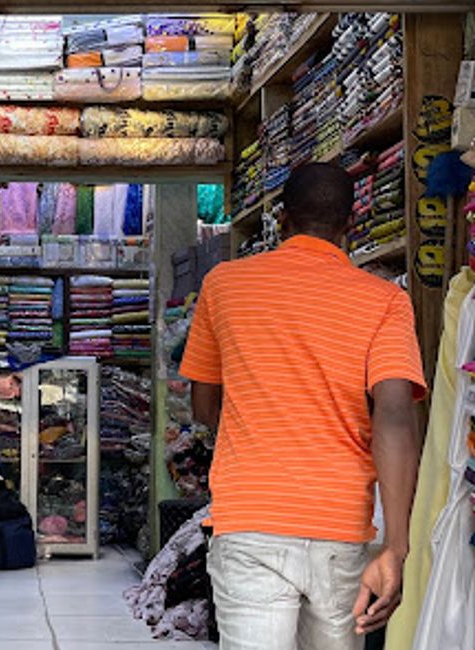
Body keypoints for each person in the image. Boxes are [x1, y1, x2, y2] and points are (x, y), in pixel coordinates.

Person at [180, 163, 426, 650]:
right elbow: (396, 418)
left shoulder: (225, 285)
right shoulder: (384, 301)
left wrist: (262, 408)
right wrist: (396, 546)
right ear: (350, 224)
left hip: (250, 520)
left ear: (281, 218)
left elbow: (206, 406)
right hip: (339, 526)